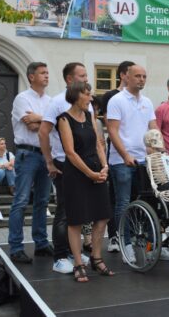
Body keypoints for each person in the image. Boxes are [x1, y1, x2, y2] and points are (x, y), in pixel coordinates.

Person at [40, 62, 101, 273]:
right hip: (63, 162)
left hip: (86, 163)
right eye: (82, 76)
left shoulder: (87, 101)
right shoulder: (57, 102)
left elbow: (94, 134)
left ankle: (71, 251)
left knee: (80, 211)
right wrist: (49, 161)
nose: (86, 79)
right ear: (69, 80)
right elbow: (43, 131)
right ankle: (60, 256)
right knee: (65, 211)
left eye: (86, 76)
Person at [57, 82, 113, 282]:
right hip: (76, 174)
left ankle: (97, 258)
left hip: (96, 171)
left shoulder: (89, 115)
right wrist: (90, 173)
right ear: (75, 95)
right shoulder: (64, 119)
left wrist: (105, 166)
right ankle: (79, 264)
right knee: (76, 220)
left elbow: (98, 143)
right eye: (87, 94)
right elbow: (70, 152)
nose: (91, 98)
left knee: (102, 216)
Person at [106, 64, 158, 263]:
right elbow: (112, 130)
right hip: (122, 162)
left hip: (145, 160)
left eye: (144, 76)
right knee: (123, 204)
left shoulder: (147, 101)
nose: (141, 79)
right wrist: (125, 155)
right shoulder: (116, 100)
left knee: (148, 203)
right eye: (137, 76)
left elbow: (153, 129)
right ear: (126, 77)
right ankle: (125, 244)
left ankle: (151, 245)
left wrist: (158, 150)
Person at [8, 62, 52, 265]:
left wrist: (40, 118)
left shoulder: (51, 101)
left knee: (42, 201)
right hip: (28, 154)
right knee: (21, 201)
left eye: (47, 73)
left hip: (46, 154)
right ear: (31, 76)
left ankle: (41, 243)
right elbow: (32, 127)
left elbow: (53, 125)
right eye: (42, 73)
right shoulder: (21, 98)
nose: (46, 76)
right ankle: (16, 247)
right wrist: (44, 121)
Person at [98, 60, 134, 253]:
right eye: (133, 74)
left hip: (136, 156)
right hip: (118, 153)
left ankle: (133, 234)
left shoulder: (139, 99)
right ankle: (114, 236)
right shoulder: (112, 96)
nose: (138, 78)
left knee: (131, 197)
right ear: (123, 75)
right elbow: (109, 125)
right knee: (117, 198)